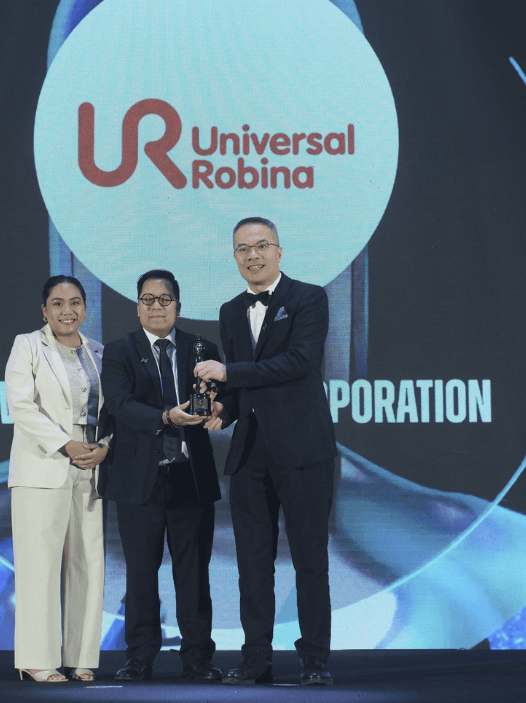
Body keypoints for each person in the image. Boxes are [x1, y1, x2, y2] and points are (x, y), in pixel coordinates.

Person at [194, 217, 337, 686]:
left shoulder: (309, 297)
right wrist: (223, 412)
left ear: (279, 251)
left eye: (261, 246)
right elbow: (242, 388)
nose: (252, 256)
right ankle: (255, 658)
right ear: (234, 257)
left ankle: (315, 660)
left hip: (302, 449)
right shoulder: (231, 310)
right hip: (250, 453)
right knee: (252, 563)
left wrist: (228, 373)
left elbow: (298, 362)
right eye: (242, 249)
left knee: (309, 559)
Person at [99, 270, 222, 682]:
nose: (156, 307)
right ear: (137, 307)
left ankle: (198, 658)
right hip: (139, 479)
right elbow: (119, 405)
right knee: (140, 573)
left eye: (164, 299)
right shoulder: (118, 352)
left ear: (178, 306)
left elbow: (222, 398)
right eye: (148, 299)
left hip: (191, 476)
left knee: (194, 574)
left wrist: (220, 410)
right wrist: (166, 416)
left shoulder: (202, 348)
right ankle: (140, 656)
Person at [4, 275, 109, 683]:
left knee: (88, 564)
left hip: (90, 466)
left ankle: (81, 657)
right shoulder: (27, 345)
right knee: (39, 567)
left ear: (85, 308)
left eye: (76, 302)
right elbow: (22, 406)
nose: (68, 310)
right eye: (58, 303)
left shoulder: (98, 351)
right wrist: (66, 444)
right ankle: (36, 658)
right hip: (42, 465)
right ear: (44, 310)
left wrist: (104, 446)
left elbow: (112, 411)